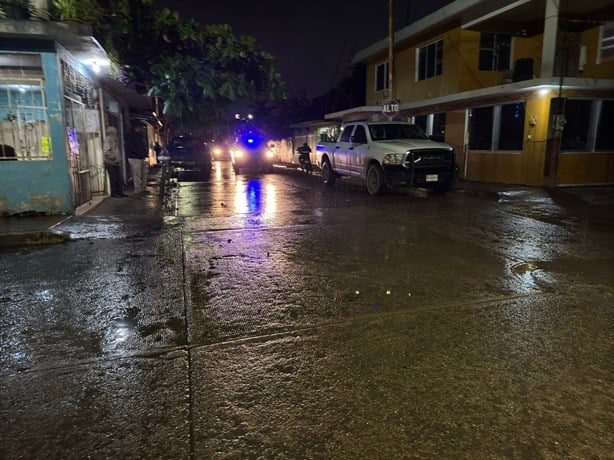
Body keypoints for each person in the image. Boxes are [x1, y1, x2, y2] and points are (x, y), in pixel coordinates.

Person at [126, 123, 150, 196]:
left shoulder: (140, 136)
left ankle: (142, 189)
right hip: (135, 158)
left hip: (140, 157)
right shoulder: (131, 136)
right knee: (137, 175)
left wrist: (144, 154)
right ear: (137, 127)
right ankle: (138, 190)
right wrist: (140, 153)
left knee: (143, 174)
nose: (142, 129)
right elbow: (131, 147)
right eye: (141, 127)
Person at [103, 126, 126, 197]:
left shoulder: (114, 139)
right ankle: (114, 193)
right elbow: (106, 152)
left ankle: (119, 192)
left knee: (118, 178)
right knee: (114, 178)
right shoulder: (108, 139)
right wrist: (113, 157)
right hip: (110, 162)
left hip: (115, 162)